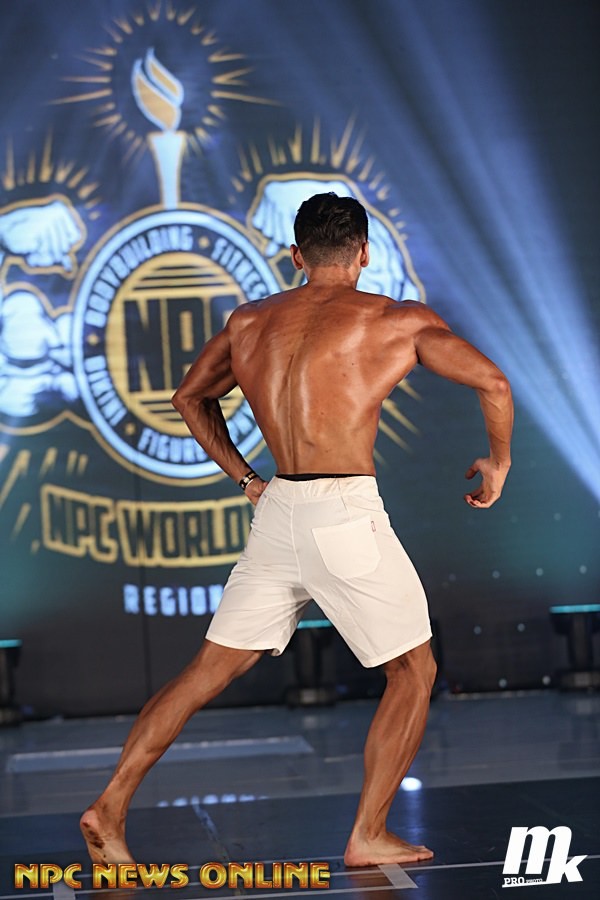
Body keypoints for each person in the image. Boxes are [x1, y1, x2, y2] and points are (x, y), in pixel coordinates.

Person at [81, 192, 513, 867]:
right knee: (414, 670)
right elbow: (493, 384)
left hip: (278, 510)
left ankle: (109, 806)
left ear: (295, 256)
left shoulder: (250, 321)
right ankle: (368, 833)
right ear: (364, 253)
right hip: (344, 514)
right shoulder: (395, 320)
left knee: (205, 672)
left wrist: (246, 480)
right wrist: (498, 461)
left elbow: (189, 398)